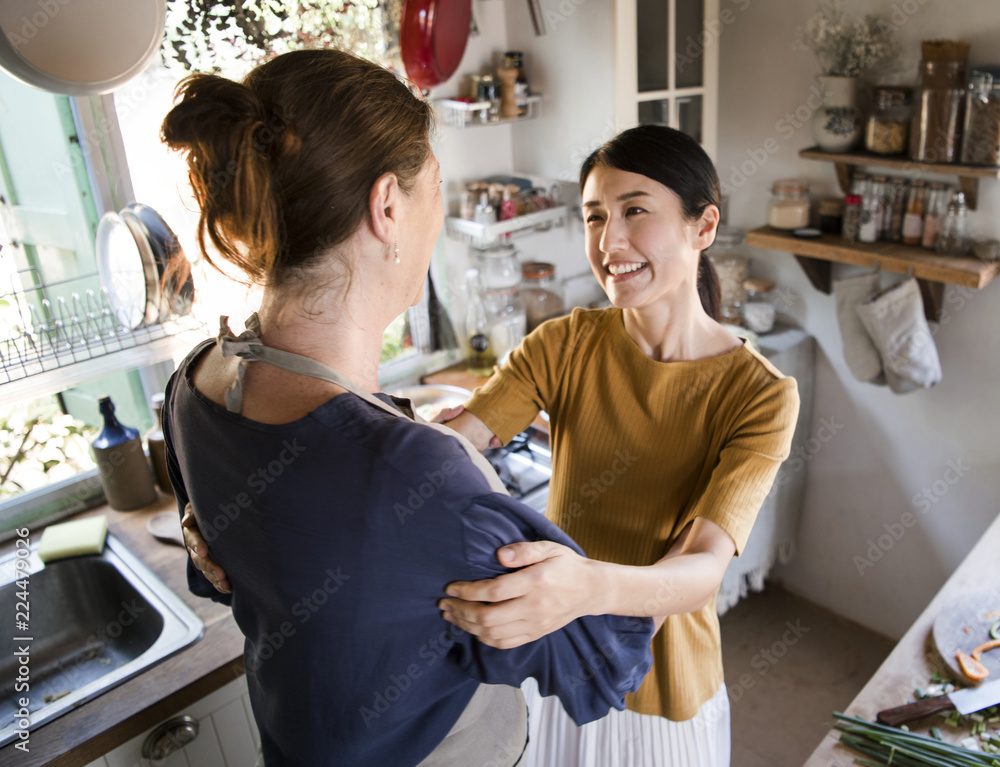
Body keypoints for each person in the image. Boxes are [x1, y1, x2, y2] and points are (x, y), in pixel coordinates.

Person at [158, 49, 654, 767]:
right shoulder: (412, 468)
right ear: (388, 206)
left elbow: (217, 570)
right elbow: (601, 663)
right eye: (437, 192)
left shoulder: (193, 384)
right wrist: (598, 578)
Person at [433, 125, 801, 766]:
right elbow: (452, 449)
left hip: (666, 684)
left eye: (635, 210)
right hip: (552, 658)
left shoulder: (759, 394)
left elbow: (701, 570)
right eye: (595, 217)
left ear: (703, 226)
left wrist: (583, 590)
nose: (609, 242)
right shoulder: (565, 343)